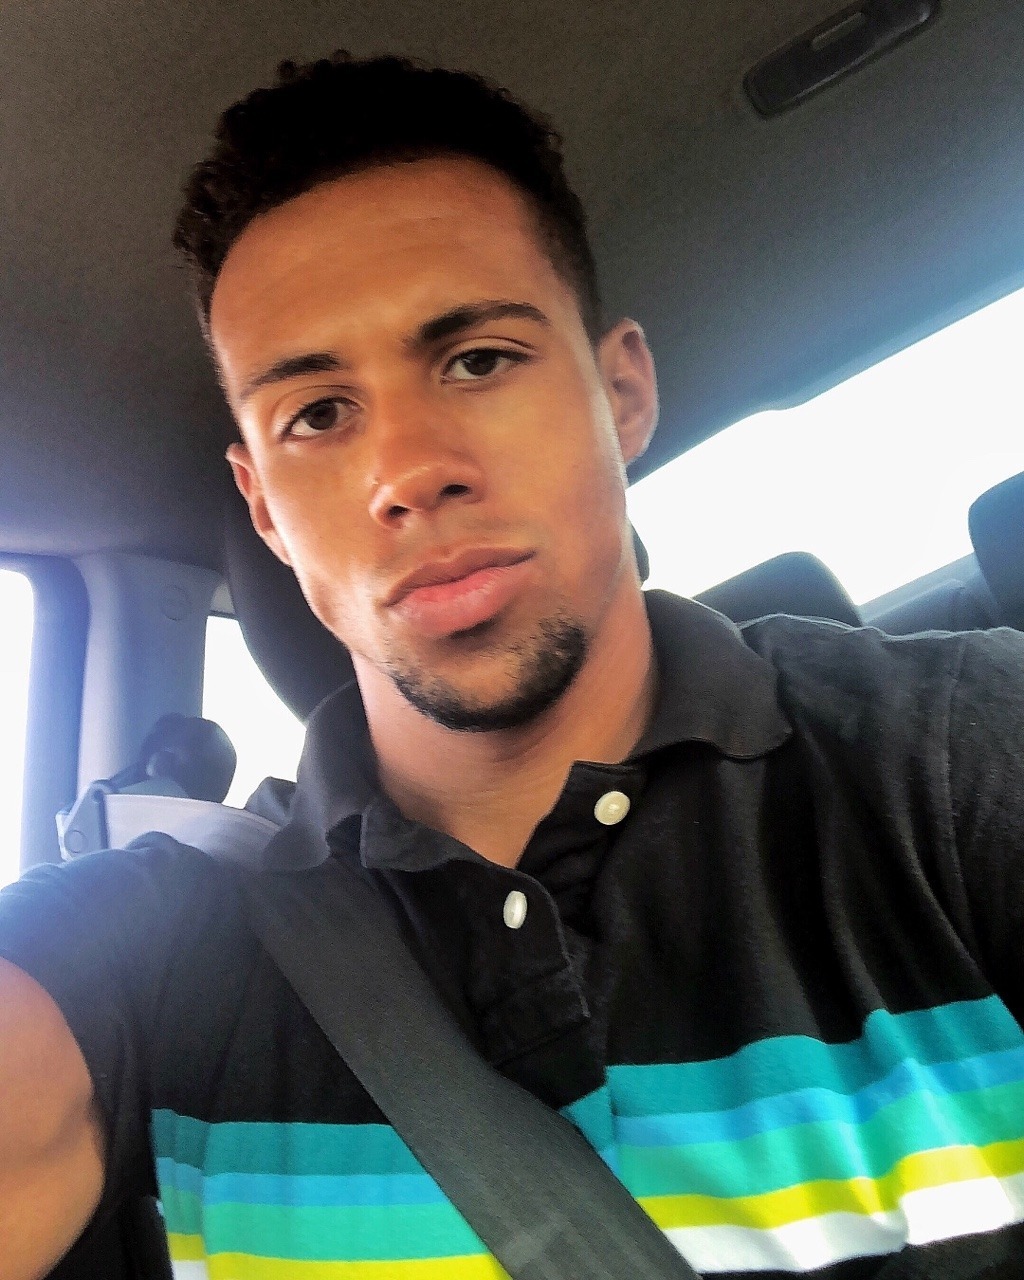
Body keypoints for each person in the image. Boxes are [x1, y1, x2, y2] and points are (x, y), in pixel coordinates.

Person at [2, 49, 1024, 1280]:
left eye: (477, 358)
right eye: (316, 415)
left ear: (622, 391)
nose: (407, 471)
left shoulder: (953, 756)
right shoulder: (153, 949)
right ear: (265, 509)